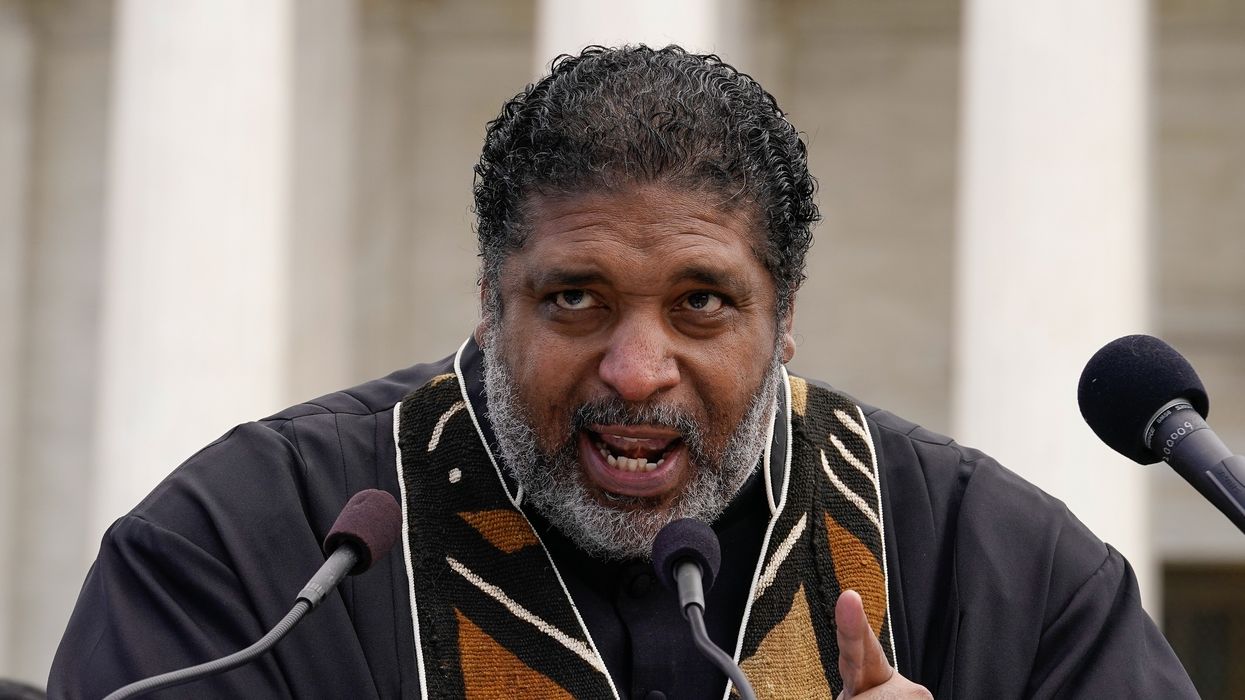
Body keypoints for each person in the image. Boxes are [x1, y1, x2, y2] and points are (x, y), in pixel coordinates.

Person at [50, 45, 1195, 699]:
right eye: (575, 299)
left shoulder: (1001, 567)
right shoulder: (245, 550)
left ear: (785, 316)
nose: (637, 370)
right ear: (491, 300)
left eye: (700, 303)